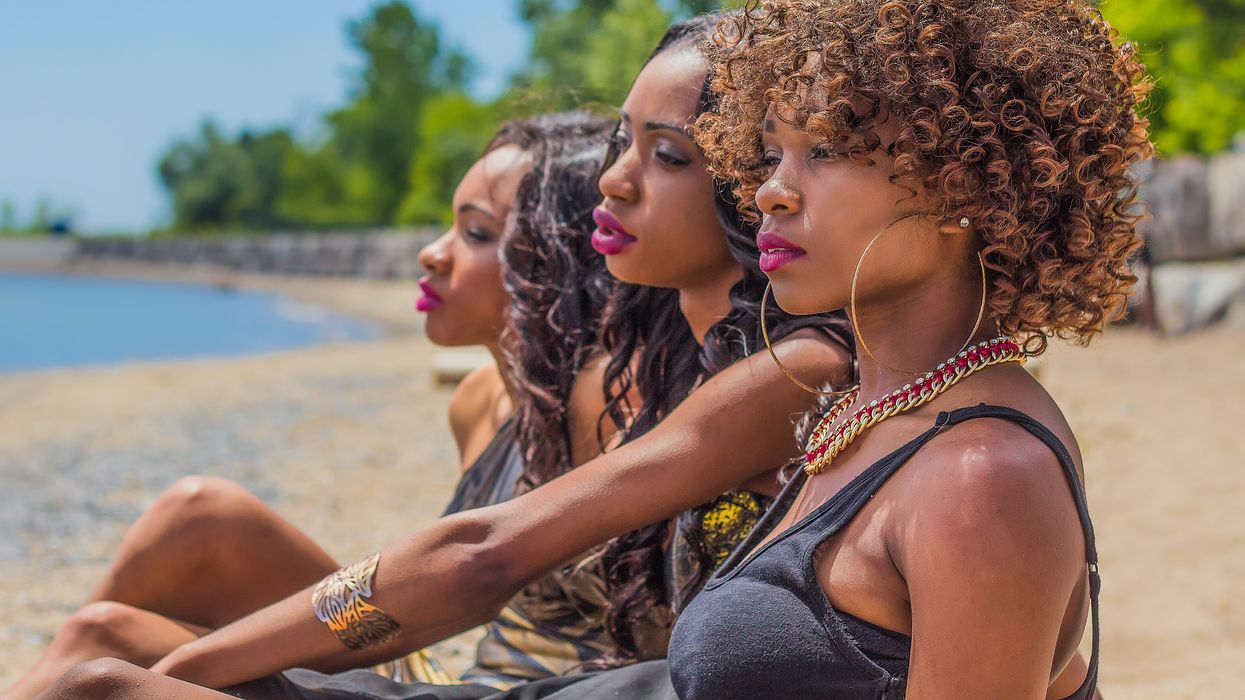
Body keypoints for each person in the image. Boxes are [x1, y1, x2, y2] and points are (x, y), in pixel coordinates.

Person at [32, 13, 857, 700]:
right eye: (622, 142)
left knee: (106, 675)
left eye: (669, 155)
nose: (616, 180)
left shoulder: (797, 371)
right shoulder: (661, 367)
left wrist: (181, 672)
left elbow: (481, 559)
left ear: (758, 187)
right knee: (104, 651)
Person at [3, 111, 619, 699]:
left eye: (476, 232)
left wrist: (180, 672)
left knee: (103, 643)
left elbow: (480, 577)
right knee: (193, 518)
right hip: (451, 673)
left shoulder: (610, 407)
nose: (432, 252)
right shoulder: (480, 399)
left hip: (520, 692)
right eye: (450, 225)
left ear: (560, 259)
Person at [666, 1, 1151, 698]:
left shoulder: (980, 476)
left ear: (966, 181)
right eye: (772, 153)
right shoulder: (870, 415)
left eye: (825, 149)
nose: (770, 192)